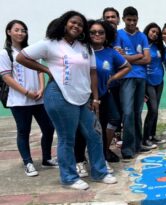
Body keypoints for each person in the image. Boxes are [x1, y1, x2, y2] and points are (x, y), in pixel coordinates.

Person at [16, 11, 117, 190]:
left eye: (80, 25)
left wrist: (95, 98)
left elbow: (93, 72)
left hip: (84, 97)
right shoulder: (50, 43)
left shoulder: (85, 47)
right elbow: (22, 56)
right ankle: (69, 177)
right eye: (73, 22)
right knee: (67, 138)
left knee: (95, 134)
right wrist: (46, 70)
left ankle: (100, 172)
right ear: (65, 23)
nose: (76, 26)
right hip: (59, 95)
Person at [0, 20, 57, 177]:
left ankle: (47, 159)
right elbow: (6, 77)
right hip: (19, 101)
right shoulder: (5, 53)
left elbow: (39, 71)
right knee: (23, 131)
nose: (20, 33)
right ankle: (28, 163)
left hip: (38, 99)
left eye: (23, 30)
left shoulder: (30, 51)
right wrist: (26, 93)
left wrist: (40, 89)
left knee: (49, 128)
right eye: (17, 30)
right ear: (9, 32)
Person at [89, 19, 131, 165]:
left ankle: (104, 150)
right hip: (86, 97)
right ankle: (85, 158)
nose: (97, 35)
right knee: (92, 127)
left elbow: (127, 67)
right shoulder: (84, 51)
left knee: (114, 119)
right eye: (93, 32)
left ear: (106, 35)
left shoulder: (110, 52)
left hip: (104, 93)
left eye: (101, 32)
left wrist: (112, 78)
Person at [114, 6, 151, 160]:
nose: (131, 23)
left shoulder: (142, 36)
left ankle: (137, 144)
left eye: (134, 20)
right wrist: (138, 56)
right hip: (126, 77)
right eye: (129, 20)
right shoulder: (118, 35)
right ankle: (127, 148)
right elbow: (118, 58)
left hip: (141, 78)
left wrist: (129, 56)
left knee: (137, 112)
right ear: (123, 19)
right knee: (127, 113)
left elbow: (148, 59)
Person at [142, 23, 166, 147]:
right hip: (148, 82)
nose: (155, 34)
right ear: (147, 31)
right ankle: (145, 138)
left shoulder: (158, 47)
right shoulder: (143, 46)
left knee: (155, 110)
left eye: (157, 33)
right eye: (153, 31)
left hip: (159, 82)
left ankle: (152, 136)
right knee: (153, 109)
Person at [102, 7, 123, 148]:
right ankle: (104, 148)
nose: (110, 19)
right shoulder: (101, 37)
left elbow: (127, 62)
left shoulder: (122, 36)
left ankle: (116, 138)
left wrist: (122, 55)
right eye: (107, 17)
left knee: (120, 113)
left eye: (113, 17)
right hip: (104, 85)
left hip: (121, 82)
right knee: (109, 117)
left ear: (118, 19)